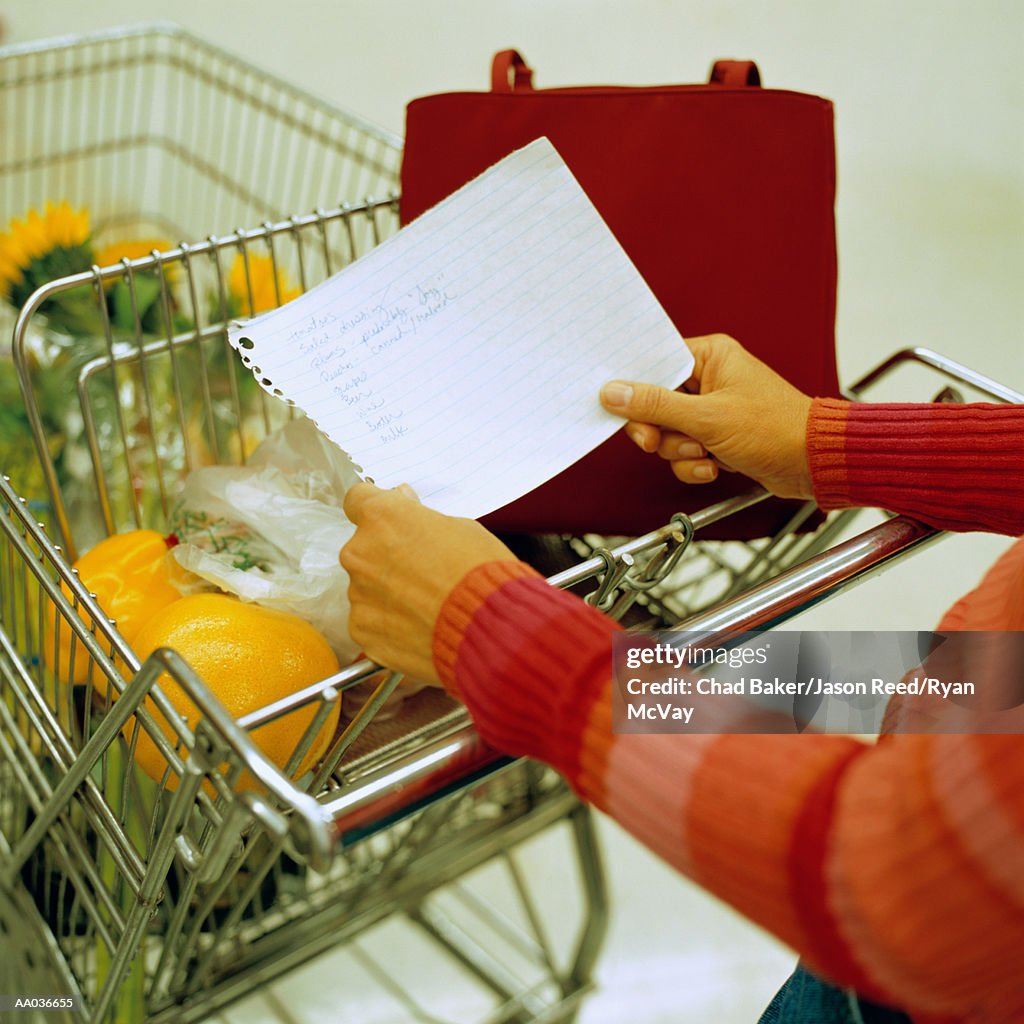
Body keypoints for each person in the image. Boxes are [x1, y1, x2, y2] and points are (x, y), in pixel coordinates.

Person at [339, 334, 1024, 1023]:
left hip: (939, 986)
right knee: (824, 672)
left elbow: (903, 890)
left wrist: (498, 638)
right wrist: (833, 444)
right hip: (978, 698)